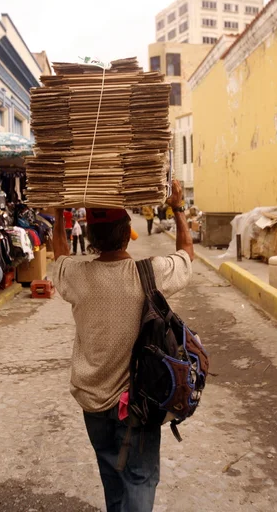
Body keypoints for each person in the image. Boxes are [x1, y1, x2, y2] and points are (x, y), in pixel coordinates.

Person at [51, 180, 194, 512]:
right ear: (128, 230)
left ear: (90, 239)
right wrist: (178, 208)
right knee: (140, 479)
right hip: (137, 406)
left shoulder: (76, 275)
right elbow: (186, 255)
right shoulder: (150, 273)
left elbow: (59, 254)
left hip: (92, 403)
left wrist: (59, 214)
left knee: (111, 477)